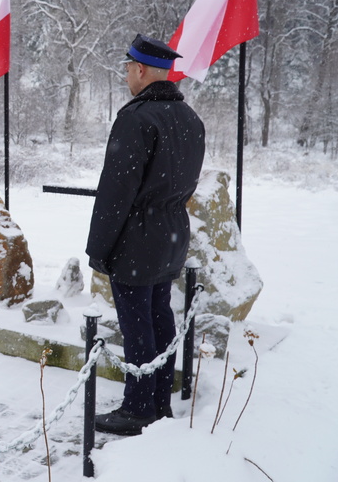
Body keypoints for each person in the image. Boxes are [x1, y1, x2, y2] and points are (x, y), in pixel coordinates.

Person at [86, 34, 206, 436]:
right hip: (171, 234)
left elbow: (116, 193)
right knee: (159, 317)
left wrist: (99, 248)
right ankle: (157, 401)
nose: (125, 75)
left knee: (138, 323)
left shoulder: (137, 118)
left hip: (136, 240)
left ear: (139, 70)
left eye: (127, 68)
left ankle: (138, 409)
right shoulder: (190, 117)